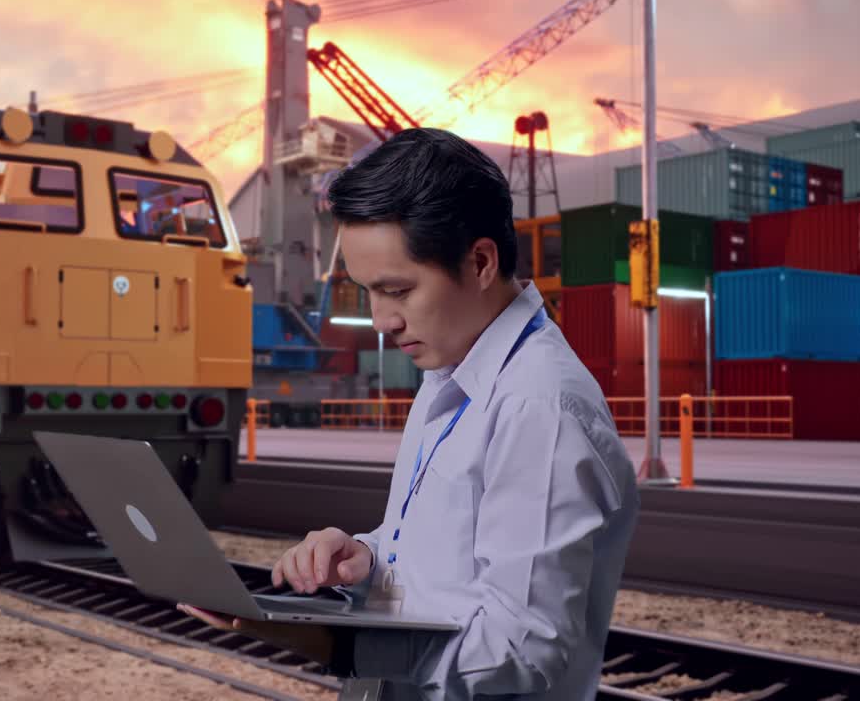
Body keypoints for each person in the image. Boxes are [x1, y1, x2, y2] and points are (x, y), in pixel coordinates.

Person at [180, 128, 639, 700]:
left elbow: (525, 647)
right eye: (368, 291)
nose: (380, 320)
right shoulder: (451, 372)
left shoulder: (539, 406)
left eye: (397, 290)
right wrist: (367, 558)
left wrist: (331, 643)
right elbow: (444, 568)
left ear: (479, 262)